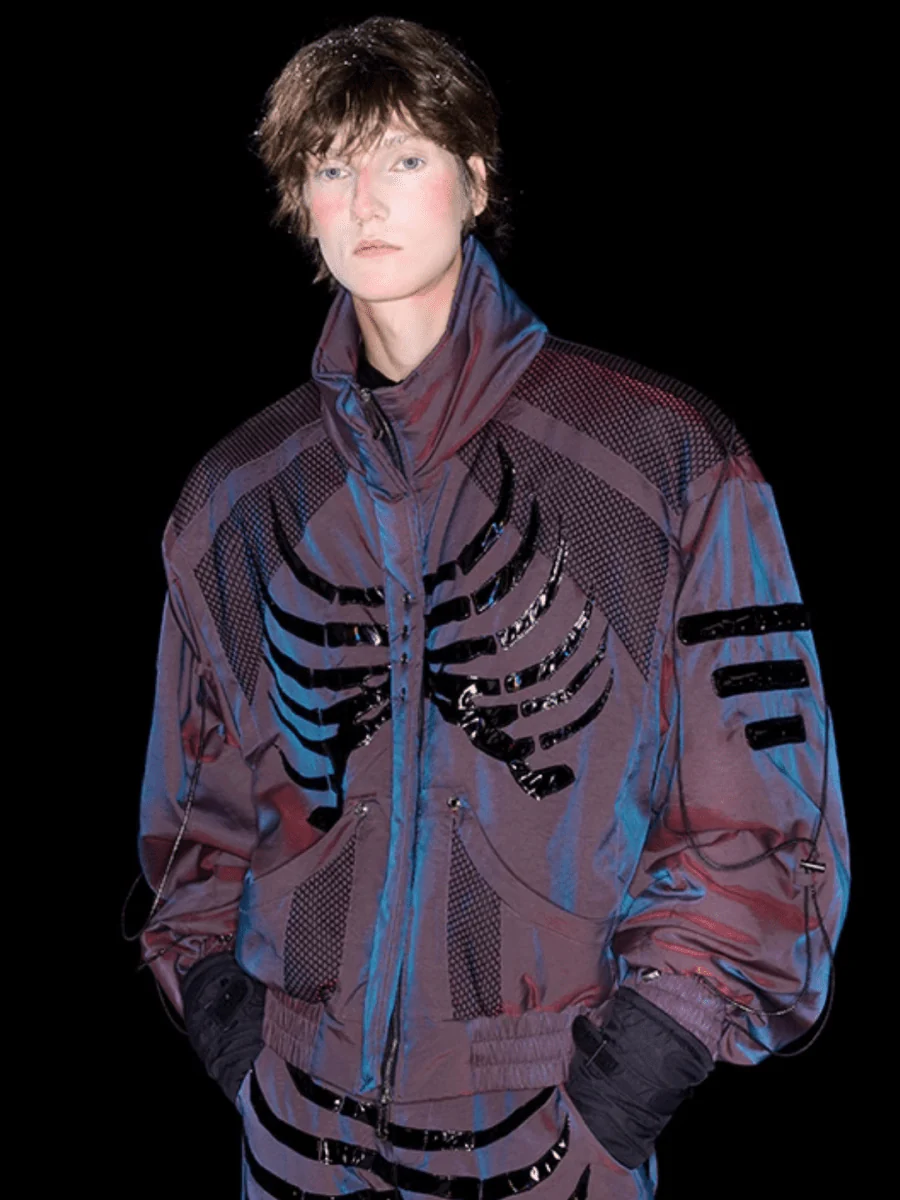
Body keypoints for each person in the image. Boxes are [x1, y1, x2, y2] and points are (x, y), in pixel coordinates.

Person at [130, 15, 850, 1199]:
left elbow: (762, 821)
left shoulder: (662, 457)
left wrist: (619, 1095)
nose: (366, 198)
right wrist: (236, 1037)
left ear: (474, 180)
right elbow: (193, 825)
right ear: (300, 206)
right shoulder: (236, 498)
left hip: (544, 1133)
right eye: (330, 166)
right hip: (294, 1136)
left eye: (403, 157)